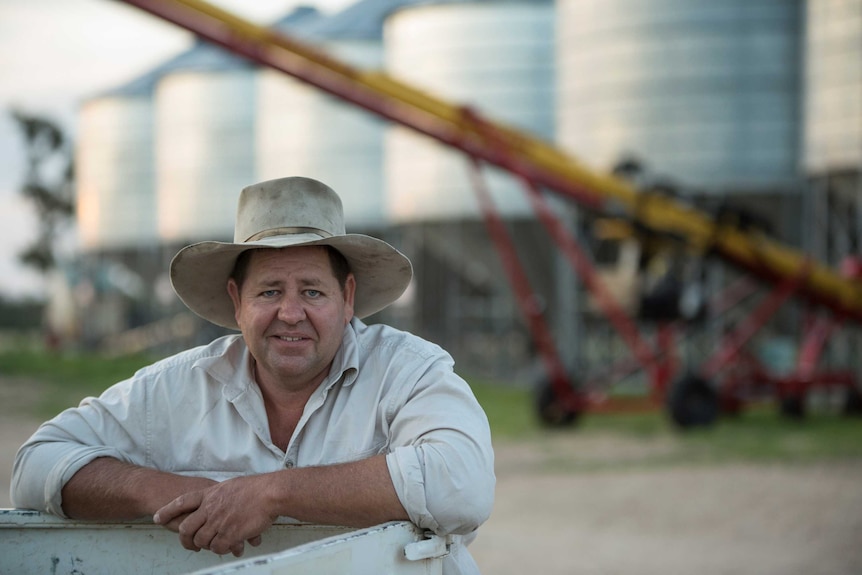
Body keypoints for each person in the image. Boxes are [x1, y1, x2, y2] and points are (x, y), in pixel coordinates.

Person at [11, 176, 495, 574]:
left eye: (311, 292)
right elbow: (36, 466)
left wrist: (269, 493)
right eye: (268, 292)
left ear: (348, 298)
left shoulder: (408, 369)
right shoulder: (179, 387)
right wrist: (170, 492)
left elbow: (463, 482)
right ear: (235, 301)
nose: (290, 313)